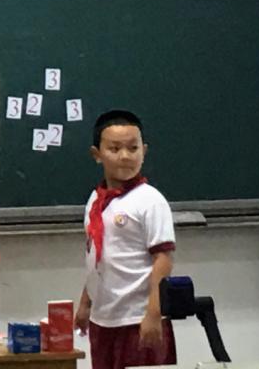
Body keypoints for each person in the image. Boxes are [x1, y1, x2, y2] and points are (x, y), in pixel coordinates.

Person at [76, 110, 176, 369]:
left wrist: (154, 313)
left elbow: (163, 259)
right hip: (104, 319)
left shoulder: (150, 200)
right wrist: (86, 303)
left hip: (138, 319)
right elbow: (96, 256)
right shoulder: (96, 200)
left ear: (144, 150)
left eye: (133, 148)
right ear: (97, 154)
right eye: (114, 148)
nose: (125, 156)